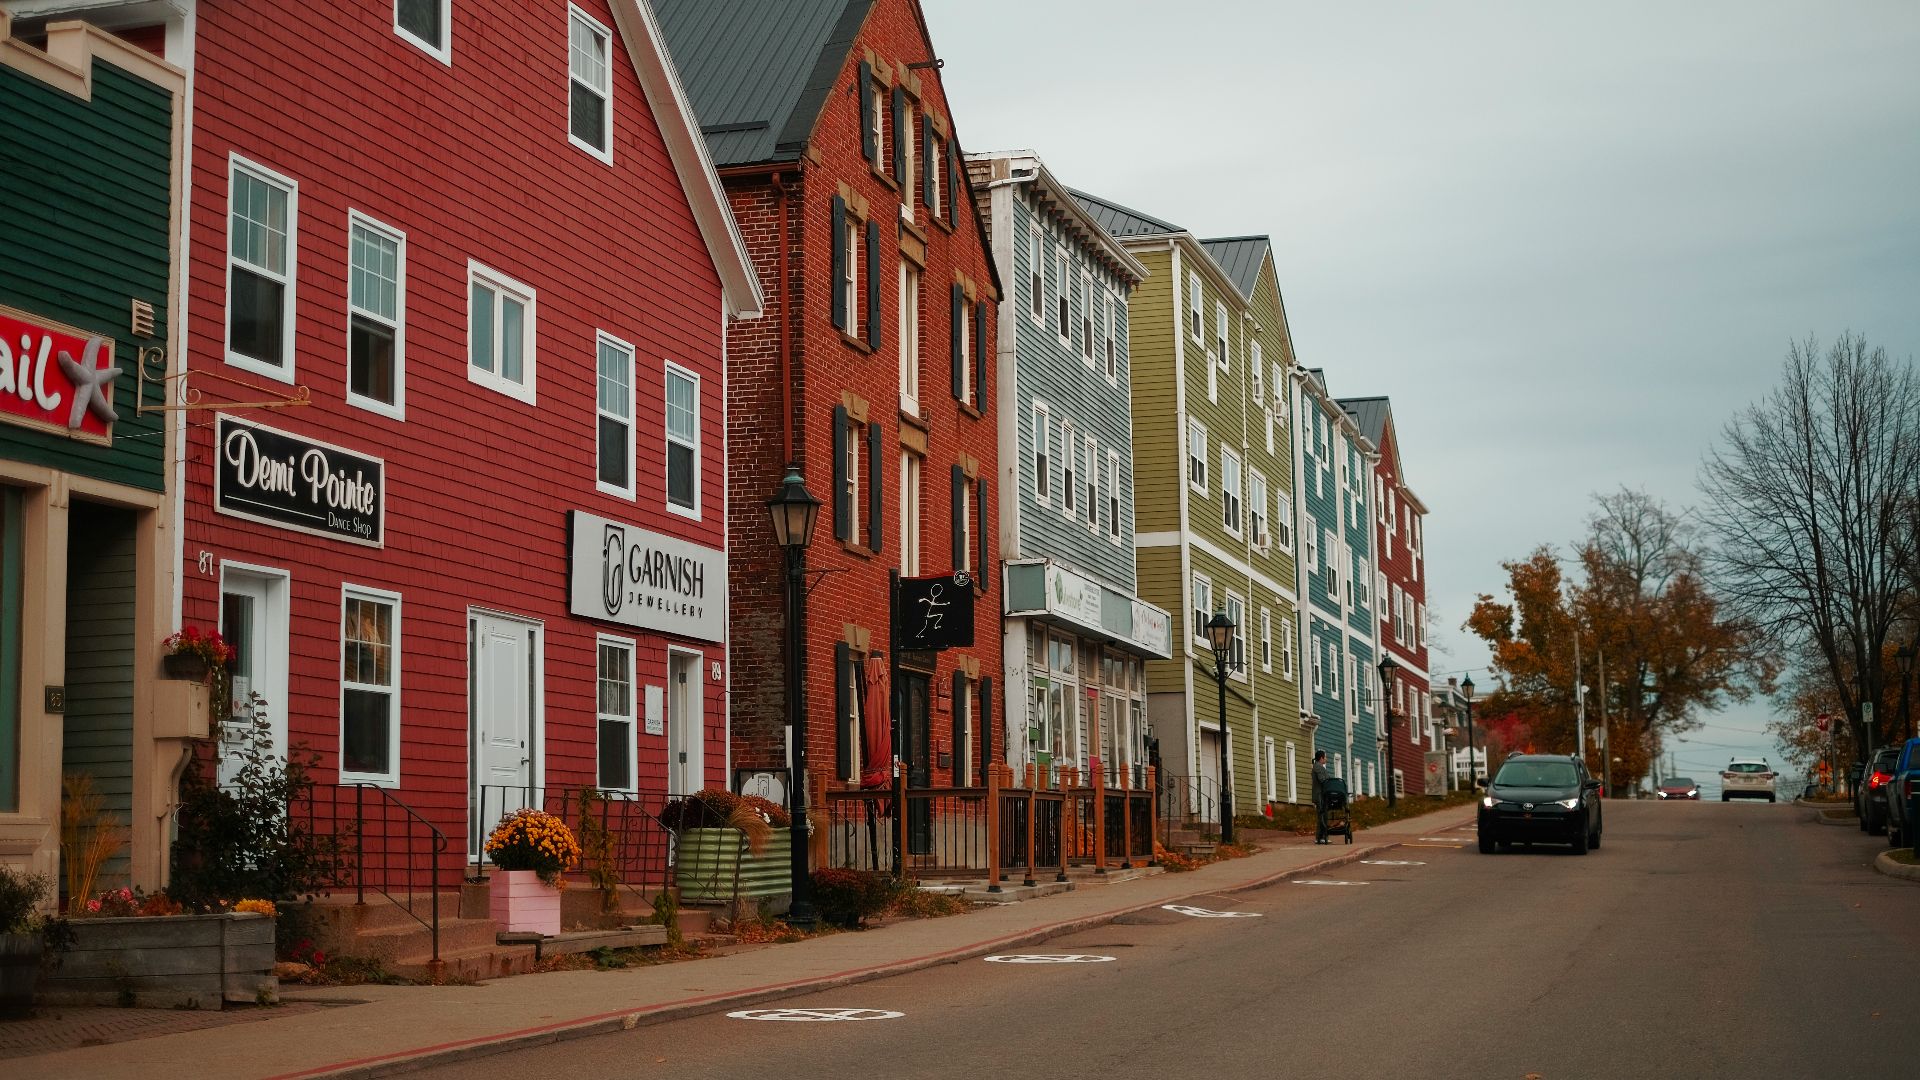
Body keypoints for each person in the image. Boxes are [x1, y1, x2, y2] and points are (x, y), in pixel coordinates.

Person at [1311, 750, 1331, 844]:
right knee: (1322, 816)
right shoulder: (1318, 767)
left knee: (1323, 815)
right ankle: (1320, 837)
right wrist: (1329, 782)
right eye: (1325, 757)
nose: (1326, 759)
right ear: (1321, 758)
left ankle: (1321, 837)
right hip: (1319, 795)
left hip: (1321, 795)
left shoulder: (1319, 767)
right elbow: (1322, 779)